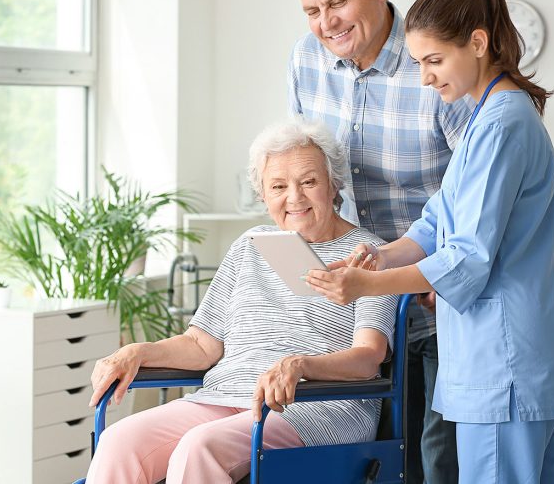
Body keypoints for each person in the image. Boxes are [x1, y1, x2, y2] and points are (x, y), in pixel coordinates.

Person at [305, 0, 554, 483]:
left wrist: (368, 286)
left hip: (506, 363)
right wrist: (378, 257)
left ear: (477, 44)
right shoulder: (488, 118)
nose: (427, 78)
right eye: (417, 63)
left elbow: (466, 257)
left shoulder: (501, 124)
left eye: (434, 61)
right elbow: (435, 224)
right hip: (528, 358)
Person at [84, 121, 397, 484]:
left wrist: (301, 366)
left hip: (317, 405)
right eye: (278, 186)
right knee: (120, 440)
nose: (294, 198)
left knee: (199, 446)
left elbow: (368, 357)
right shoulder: (251, 244)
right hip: (225, 396)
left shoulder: (369, 255)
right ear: (263, 195)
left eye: (308, 182)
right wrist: (137, 352)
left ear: (334, 184)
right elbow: (201, 345)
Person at [285, 0, 472, 481]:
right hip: (353, 309)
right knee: (368, 460)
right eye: (312, 10)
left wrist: (440, 268)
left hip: (434, 296)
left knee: (436, 461)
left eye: (337, 3)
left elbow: (474, 183)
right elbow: (312, 169)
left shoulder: (432, 62)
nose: (326, 23)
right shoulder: (305, 59)